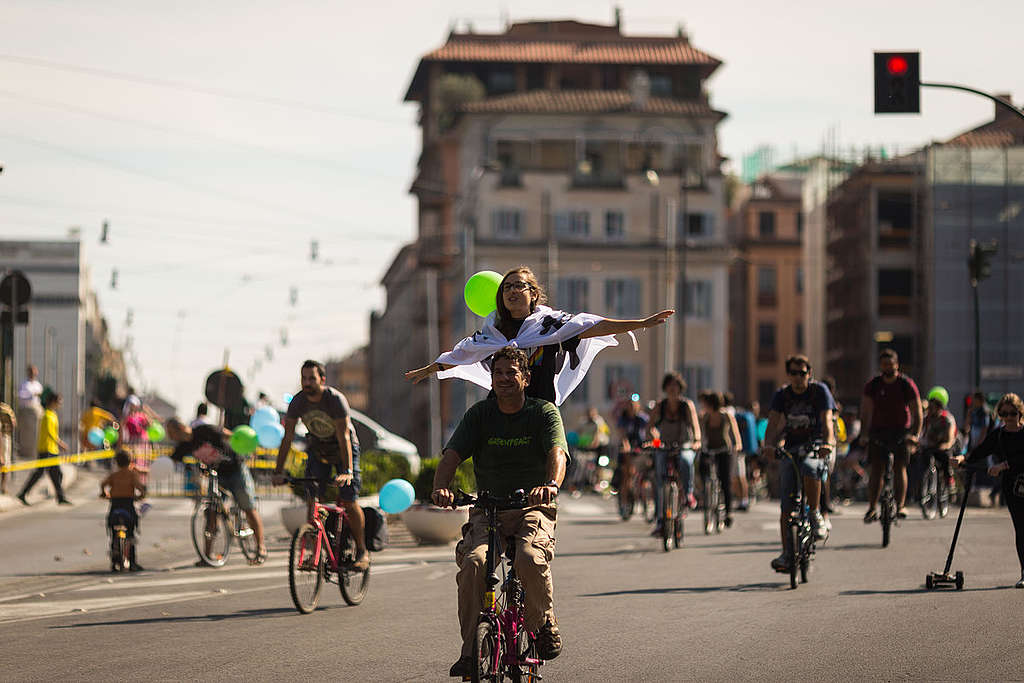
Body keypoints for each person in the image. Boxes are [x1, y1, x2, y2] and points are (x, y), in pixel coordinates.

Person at [431, 347, 568, 677]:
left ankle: (543, 623)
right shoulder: (479, 415)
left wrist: (550, 484)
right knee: (473, 565)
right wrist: (440, 488)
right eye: (498, 373)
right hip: (488, 508)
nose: (504, 379)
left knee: (529, 558)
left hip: (532, 507)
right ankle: (469, 652)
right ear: (491, 380)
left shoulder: (543, 412)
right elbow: (451, 456)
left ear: (525, 378)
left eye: (512, 373)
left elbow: (557, 453)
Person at [405, 266, 673, 405]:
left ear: (532, 293)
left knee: (555, 441)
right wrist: (429, 370)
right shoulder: (493, 331)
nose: (511, 290)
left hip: (541, 403)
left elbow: (590, 326)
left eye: (518, 285)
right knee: (473, 425)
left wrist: (641, 323)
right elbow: (462, 354)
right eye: (506, 287)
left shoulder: (551, 323)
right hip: (502, 403)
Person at [272, 360, 368, 571]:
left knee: (349, 500)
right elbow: (287, 438)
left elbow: (343, 436)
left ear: (322, 380)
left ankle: (362, 551)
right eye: (303, 378)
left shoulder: (334, 399)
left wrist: (347, 471)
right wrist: (278, 472)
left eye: (311, 379)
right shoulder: (298, 402)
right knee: (312, 502)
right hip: (318, 450)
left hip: (345, 449)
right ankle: (314, 554)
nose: (307, 383)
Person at [761, 355, 836, 572]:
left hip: (816, 445)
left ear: (809, 373)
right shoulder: (782, 395)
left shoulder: (819, 391)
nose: (797, 377)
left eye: (801, 373)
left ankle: (814, 513)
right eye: (793, 373)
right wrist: (768, 445)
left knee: (812, 468)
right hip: (791, 449)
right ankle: (786, 554)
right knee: (786, 507)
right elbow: (773, 423)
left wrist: (828, 444)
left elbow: (827, 421)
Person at [173, 421, 267, 564]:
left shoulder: (203, 430)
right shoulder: (184, 445)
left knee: (247, 506)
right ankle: (206, 555)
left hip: (235, 469)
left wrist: (243, 443)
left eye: (170, 432)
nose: (170, 437)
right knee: (211, 511)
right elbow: (171, 460)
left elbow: (228, 435)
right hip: (217, 475)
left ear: (179, 428)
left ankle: (261, 547)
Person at [955, 393, 1024, 587]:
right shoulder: (999, 435)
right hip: (1013, 487)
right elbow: (980, 451)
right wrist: (963, 459)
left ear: (1020, 413)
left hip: (1018, 477)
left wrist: (1003, 465)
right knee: (1021, 528)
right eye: (1004, 414)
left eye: (1013, 413)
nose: (1009, 418)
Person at [858, 348, 922, 522]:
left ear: (897, 365)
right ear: (881, 366)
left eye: (890, 364)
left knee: (900, 467)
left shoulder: (906, 384)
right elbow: (865, 411)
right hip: (878, 431)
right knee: (876, 469)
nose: (887, 367)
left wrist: (914, 435)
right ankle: (872, 508)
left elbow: (917, 412)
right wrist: (864, 434)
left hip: (901, 431)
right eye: (884, 364)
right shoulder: (873, 385)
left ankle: (901, 506)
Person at [647, 372, 701, 535]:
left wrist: (696, 441)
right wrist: (654, 440)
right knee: (659, 477)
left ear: (680, 388)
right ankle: (660, 520)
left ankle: (689, 493)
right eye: (670, 385)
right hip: (664, 445)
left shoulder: (687, 405)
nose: (672, 388)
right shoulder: (660, 405)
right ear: (665, 388)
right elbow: (650, 427)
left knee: (686, 461)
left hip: (684, 445)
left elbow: (695, 426)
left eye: (675, 386)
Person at [17, 392, 71, 506]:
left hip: (53, 450)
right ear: (53, 402)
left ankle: (60, 497)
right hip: (46, 449)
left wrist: (58, 445)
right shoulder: (46, 415)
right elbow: (51, 433)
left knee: (57, 474)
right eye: (59, 401)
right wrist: (61, 444)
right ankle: (23, 493)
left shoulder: (53, 415)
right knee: (39, 473)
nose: (60, 404)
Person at [698, 391, 741, 527]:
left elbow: (735, 432)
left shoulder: (725, 415)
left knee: (725, 480)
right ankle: (704, 491)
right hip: (709, 449)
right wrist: (698, 445)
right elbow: (699, 434)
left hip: (724, 450)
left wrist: (737, 445)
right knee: (701, 467)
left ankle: (728, 512)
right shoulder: (705, 417)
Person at [99, 448, 146, 571]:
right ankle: (133, 562)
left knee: (113, 532)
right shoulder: (132, 475)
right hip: (128, 505)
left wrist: (104, 493)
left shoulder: (114, 475)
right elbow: (140, 488)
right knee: (130, 533)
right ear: (130, 461)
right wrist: (140, 496)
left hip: (115, 505)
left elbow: (103, 484)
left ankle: (114, 562)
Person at [915, 387, 957, 498]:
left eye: (935, 406)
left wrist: (944, 446)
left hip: (945, 446)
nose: (931, 409)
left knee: (945, 458)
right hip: (931, 446)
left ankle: (949, 481)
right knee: (922, 458)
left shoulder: (947, 419)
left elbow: (949, 439)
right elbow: (921, 434)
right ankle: (921, 486)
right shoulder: (926, 418)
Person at [615, 396, 649, 506]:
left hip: (640, 448)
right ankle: (625, 499)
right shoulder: (623, 419)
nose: (632, 407)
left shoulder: (642, 418)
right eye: (630, 405)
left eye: (634, 405)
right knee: (627, 473)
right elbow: (622, 435)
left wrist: (656, 441)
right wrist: (626, 446)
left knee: (647, 468)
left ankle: (644, 495)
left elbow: (650, 431)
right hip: (627, 449)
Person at [723, 392, 750, 512]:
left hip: (734, 448)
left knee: (738, 475)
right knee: (740, 475)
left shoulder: (727, 412)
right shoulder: (733, 410)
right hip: (739, 447)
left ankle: (743, 500)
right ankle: (743, 500)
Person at [16, 365, 43, 465]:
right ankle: (27, 453)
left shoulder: (37, 384)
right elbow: (21, 395)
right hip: (27, 411)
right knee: (27, 434)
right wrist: (32, 395)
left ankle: (35, 452)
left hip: (37, 410)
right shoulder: (24, 384)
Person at [0, 401, 15, 495]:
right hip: (4, 439)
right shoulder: (5, 408)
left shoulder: (4, 408)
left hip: (5, 438)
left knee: (5, 464)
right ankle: (3, 487)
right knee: (4, 464)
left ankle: (3, 487)